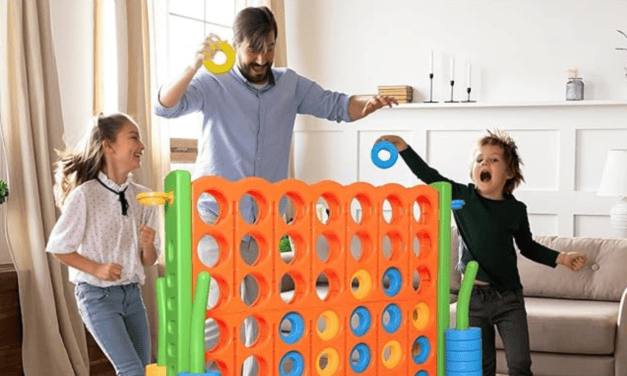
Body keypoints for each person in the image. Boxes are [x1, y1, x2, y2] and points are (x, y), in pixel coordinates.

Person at [377, 130, 586, 376]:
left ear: (508, 173)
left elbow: (528, 247)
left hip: (509, 298)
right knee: (482, 367)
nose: (484, 163)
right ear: (473, 170)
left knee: (519, 364)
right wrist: (404, 148)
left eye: (494, 160)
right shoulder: (463, 197)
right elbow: (429, 176)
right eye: (479, 160)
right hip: (472, 298)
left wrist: (562, 257)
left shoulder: (516, 209)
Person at [46, 113, 160, 376]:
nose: (141, 146)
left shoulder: (144, 197)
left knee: (144, 368)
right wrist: (97, 269)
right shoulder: (85, 195)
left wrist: (148, 245)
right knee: (131, 370)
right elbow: (58, 247)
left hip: (132, 296)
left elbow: (149, 260)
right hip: (97, 297)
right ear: (108, 145)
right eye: (134, 137)